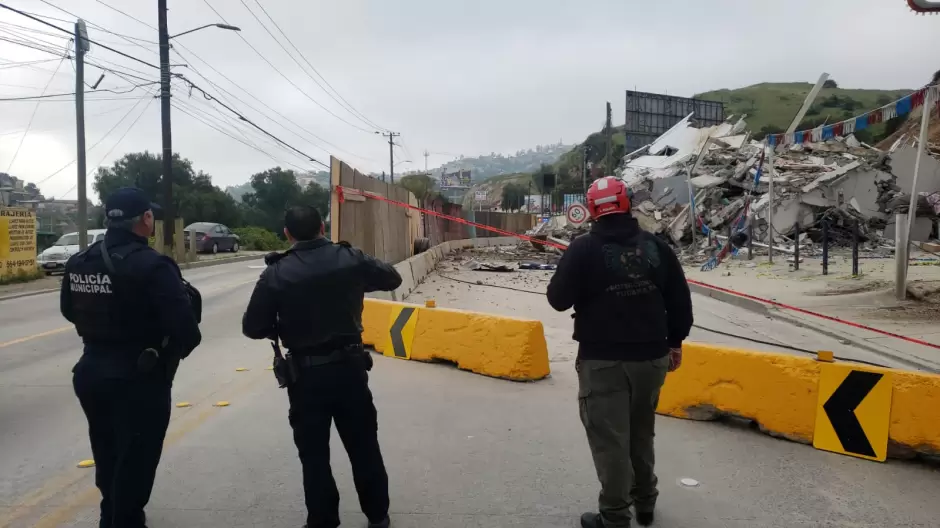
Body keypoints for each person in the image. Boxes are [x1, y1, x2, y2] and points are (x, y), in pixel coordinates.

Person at [241, 205, 402, 528]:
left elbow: (252, 327)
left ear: (286, 234)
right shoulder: (350, 259)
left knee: (313, 455)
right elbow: (391, 277)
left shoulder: (277, 272)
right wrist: (354, 283)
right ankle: (377, 515)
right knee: (363, 445)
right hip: (351, 370)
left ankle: (323, 519)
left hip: (306, 376)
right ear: (323, 227)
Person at [546, 176, 693, 528]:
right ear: (626, 204)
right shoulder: (657, 247)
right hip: (652, 359)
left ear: (593, 210)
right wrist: (675, 342)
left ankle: (614, 516)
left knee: (610, 439)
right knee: (641, 432)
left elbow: (557, 300)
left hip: (603, 362)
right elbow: (680, 304)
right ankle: (645, 504)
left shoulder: (582, 249)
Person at [61, 187, 202, 528]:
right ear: (147, 220)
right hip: (138, 376)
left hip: (92, 371)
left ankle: (110, 513)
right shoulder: (153, 265)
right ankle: (123, 519)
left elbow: (69, 311)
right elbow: (185, 328)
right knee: (137, 459)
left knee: (107, 449)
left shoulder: (80, 260)